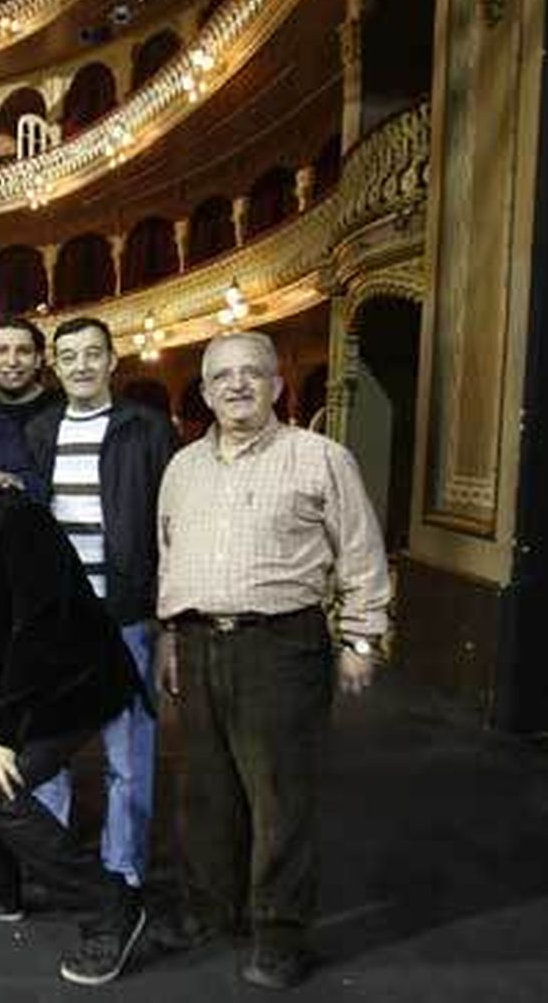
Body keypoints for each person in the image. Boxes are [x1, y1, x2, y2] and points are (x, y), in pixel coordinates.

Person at [156, 330, 389, 989]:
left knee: (280, 801)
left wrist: (362, 638)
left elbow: (361, 552)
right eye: (222, 376)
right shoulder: (182, 468)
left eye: (252, 373)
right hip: (196, 643)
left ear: (277, 385)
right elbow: (168, 556)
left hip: (281, 645)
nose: (237, 384)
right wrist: (170, 636)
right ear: (205, 393)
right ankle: (211, 912)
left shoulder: (321, 458)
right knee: (205, 796)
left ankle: (280, 937)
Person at [0, 414, 149, 987]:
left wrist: (3, 738)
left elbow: (37, 632)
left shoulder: (22, 520)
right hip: (16, 677)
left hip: (75, 679)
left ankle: (111, 907)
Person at [25, 317, 174, 900]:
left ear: (112, 360)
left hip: (125, 614)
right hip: (57, 617)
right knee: (48, 752)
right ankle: (54, 866)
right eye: (69, 356)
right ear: (55, 366)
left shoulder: (147, 428)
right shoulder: (40, 430)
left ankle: (124, 867)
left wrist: (162, 613)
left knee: (128, 755)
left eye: (93, 353)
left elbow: (168, 523)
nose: (81, 365)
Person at [0, 314, 62, 469]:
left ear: (38, 359)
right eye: (1, 351)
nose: (12, 362)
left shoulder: (65, 410)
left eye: (23, 351)